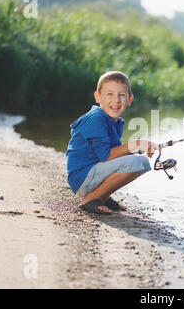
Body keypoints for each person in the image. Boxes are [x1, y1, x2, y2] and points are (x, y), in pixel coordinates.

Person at [66, 71, 159, 215]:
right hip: (82, 178)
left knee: (143, 163)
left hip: (93, 173)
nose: (116, 100)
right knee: (135, 163)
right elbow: (106, 156)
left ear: (130, 99)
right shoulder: (96, 118)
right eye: (109, 94)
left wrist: (139, 147)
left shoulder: (114, 121)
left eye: (121, 95)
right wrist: (135, 144)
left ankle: (102, 196)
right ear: (98, 97)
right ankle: (91, 198)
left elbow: (114, 154)